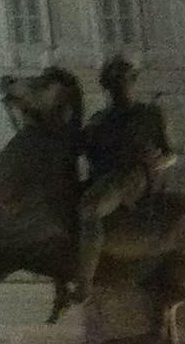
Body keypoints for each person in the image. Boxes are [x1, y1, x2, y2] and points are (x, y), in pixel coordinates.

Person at [73, 55, 172, 301]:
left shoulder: (150, 114)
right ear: (107, 86)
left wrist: (156, 162)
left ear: (132, 81)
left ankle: (84, 283)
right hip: (103, 177)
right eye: (113, 81)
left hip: (133, 176)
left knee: (91, 208)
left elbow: (171, 153)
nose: (119, 86)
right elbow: (76, 148)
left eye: (124, 80)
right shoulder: (99, 120)